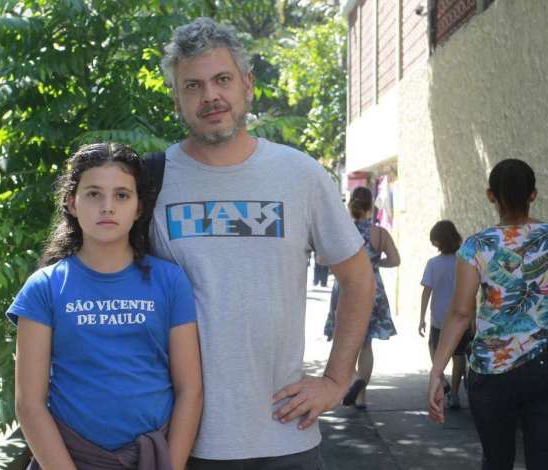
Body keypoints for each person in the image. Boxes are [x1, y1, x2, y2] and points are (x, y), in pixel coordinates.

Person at [151, 18, 375, 468]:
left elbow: (358, 278)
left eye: (222, 80)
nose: (210, 95)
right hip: (182, 439)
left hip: (285, 435)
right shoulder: (149, 182)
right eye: (193, 85)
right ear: (176, 99)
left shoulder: (299, 175)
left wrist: (335, 380)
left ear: (247, 85)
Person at [9, 143, 202, 469]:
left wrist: (172, 465)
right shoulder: (44, 287)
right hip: (68, 458)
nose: (107, 207)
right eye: (94, 194)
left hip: (152, 459)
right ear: (71, 203)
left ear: (140, 207)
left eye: (122, 195)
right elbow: (29, 404)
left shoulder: (170, 281)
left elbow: (190, 390)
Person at [428, 158, 548, 470]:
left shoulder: (476, 246)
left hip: (491, 372)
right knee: (547, 462)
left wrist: (437, 370)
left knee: (496, 461)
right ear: (533, 194)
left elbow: (460, 313)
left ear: (491, 196)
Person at [324, 186, 400, 410]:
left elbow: (323, 259)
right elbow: (395, 260)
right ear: (371, 206)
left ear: (351, 205)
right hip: (372, 287)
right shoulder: (380, 233)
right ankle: (362, 397)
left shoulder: (341, 231)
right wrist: (375, 264)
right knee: (366, 344)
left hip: (346, 286)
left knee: (344, 338)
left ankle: (353, 379)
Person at [419, 220, 470, 410]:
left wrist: (422, 317)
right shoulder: (463, 261)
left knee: (434, 350)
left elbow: (426, 291)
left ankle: (442, 379)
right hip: (460, 316)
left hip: (439, 318)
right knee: (458, 356)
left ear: (439, 242)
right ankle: (455, 394)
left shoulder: (433, 264)